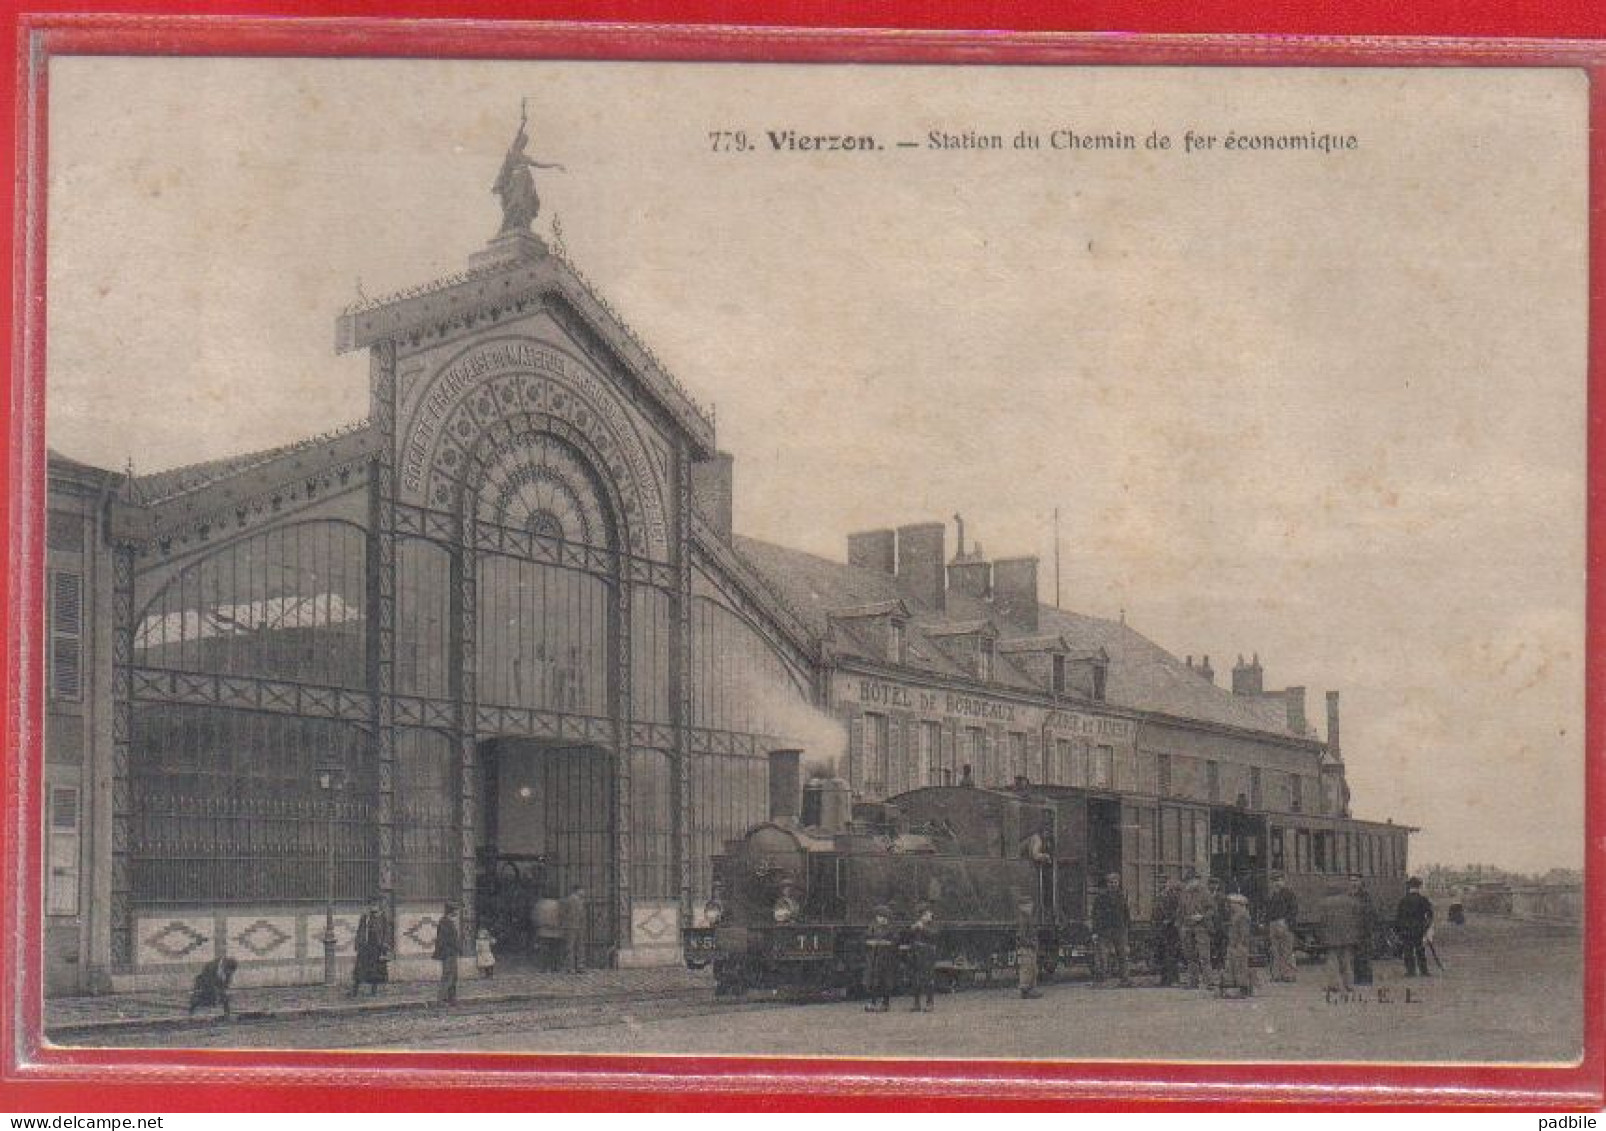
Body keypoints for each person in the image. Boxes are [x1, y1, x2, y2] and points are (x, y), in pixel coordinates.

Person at [1317, 881, 1363, 993]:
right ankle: (1349, 985)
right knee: (1347, 961)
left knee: (1332, 961)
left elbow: (1322, 921)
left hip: (1332, 937)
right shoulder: (1352, 902)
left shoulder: (1324, 903)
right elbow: (1357, 917)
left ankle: (1334, 985)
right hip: (1348, 936)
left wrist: (1322, 935)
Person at [1091, 872, 1134, 988]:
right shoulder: (1100, 897)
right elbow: (1095, 915)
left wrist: (1128, 927)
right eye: (1111, 882)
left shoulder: (1122, 896)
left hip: (1119, 929)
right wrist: (1095, 931)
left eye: (1115, 882)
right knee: (1102, 956)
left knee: (1122, 955)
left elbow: (1126, 913)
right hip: (1104, 930)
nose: (1113, 884)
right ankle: (1101, 980)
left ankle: (1125, 979)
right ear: (1107, 884)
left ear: (1118, 883)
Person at [1178, 871, 1214, 990]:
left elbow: (1212, 909)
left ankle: (1209, 982)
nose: (1188, 884)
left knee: (1204, 955)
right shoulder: (1184, 893)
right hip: (1187, 927)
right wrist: (1181, 925)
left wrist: (1202, 916)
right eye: (1187, 882)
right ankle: (1193, 982)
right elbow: (1181, 911)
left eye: (1190, 881)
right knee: (1190, 956)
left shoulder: (1205, 892)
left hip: (1201, 927)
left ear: (1196, 880)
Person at [1394, 877, 1436, 977]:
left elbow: (1398, 917)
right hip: (1419, 929)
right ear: (1419, 887)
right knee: (1420, 950)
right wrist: (1426, 927)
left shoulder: (1403, 900)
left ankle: (1410, 971)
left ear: (1409, 887)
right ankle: (1424, 971)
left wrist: (1399, 930)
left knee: (1408, 951)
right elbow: (1430, 915)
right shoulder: (1423, 900)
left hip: (1406, 930)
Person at [350, 895, 390, 998]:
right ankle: (355, 991)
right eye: (372, 904)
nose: (373, 906)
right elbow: (360, 930)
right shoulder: (365, 917)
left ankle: (374, 991)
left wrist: (384, 944)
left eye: (375, 904)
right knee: (359, 970)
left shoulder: (382, 917)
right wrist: (358, 943)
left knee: (375, 971)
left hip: (377, 947)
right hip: (365, 947)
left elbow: (386, 932)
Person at [1262, 873, 1300, 983]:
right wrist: (1266, 923)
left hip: (1285, 925)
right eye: (1274, 881)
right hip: (1273, 924)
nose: (1276, 883)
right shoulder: (1272, 895)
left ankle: (1289, 975)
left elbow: (1294, 910)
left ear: (1283, 881)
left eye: (1279, 880)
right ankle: (1277, 975)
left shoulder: (1289, 894)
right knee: (1275, 951)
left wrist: (1286, 922)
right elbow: (1268, 911)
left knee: (1287, 951)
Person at [904, 904, 939, 1012]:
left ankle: (930, 1003)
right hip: (916, 954)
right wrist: (912, 929)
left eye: (929, 914)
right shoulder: (916, 925)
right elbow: (907, 937)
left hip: (928, 954)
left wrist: (922, 928)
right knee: (916, 979)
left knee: (928, 979)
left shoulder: (934, 925)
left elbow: (933, 935)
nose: (929, 916)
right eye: (926, 914)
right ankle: (916, 1003)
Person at [1219, 893, 1256, 998]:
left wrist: (1240, 944)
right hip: (1234, 944)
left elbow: (1244, 932)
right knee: (1233, 967)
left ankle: (1243, 988)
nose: (1230, 905)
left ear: (1239, 904)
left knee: (1240, 967)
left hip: (1238, 945)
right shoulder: (1237, 914)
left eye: (1232, 903)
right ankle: (1238, 988)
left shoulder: (1243, 915)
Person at [863, 904, 898, 1012]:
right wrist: (869, 942)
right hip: (874, 956)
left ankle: (885, 1003)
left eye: (881, 916)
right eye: (878, 916)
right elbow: (866, 938)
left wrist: (884, 943)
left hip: (886, 957)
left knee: (885, 980)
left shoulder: (891, 929)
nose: (879, 919)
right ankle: (872, 1002)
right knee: (873, 980)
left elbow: (895, 942)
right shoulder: (872, 927)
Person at [1349, 874, 1378, 986]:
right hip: (1353, 931)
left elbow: (1371, 914)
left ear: (1360, 882)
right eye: (1351, 880)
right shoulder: (1349, 896)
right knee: (1355, 957)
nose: (1353, 883)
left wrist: (1369, 929)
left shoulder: (1365, 897)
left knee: (1365, 956)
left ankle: (1366, 980)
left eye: (1355, 880)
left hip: (1364, 931)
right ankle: (1357, 979)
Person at [1155, 876, 1183, 987]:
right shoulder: (1159, 896)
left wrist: (1170, 920)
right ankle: (1165, 979)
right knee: (1163, 953)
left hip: (1171, 929)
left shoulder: (1173, 896)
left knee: (1171, 954)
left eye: (1164, 882)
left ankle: (1173, 979)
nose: (1161, 884)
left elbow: (1178, 911)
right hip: (1161, 928)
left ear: (1168, 884)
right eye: (1159, 882)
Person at [432, 901, 461, 1005]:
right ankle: (441, 999)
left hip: (452, 953)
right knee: (448, 975)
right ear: (451, 911)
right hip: (448, 953)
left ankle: (451, 998)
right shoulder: (444, 922)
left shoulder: (449, 921)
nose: (457, 912)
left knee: (454, 976)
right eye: (455, 910)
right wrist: (455, 949)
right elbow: (445, 940)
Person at [1016, 899, 1042, 999]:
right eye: (1029, 905)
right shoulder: (1024, 919)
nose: (1031, 907)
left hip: (1029, 946)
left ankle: (1030, 989)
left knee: (1032, 968)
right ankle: (1026, 990)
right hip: (1027, 947)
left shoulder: (1027, 918)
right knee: (1027, 968)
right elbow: (1022, 936)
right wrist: (1032, 943)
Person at [533, 891, 565, 972]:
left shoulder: (540, 904)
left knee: (544, 951)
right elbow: (562, 916)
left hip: (543, 930)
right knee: (555, 950)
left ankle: (544, 967)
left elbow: (535, 916)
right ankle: (555, 967)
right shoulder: (559, 904)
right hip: (556, 931)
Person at [560, 885, 589, 973]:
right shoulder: (574, 900)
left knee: (572, 947)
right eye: (582, 890)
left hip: (572, 926)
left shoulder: (571, 900)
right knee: (576, 947)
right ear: (577, 890)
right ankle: (577, 966)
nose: (584, 892)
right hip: (575, 926)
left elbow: (563, 913)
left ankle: (572, 966)